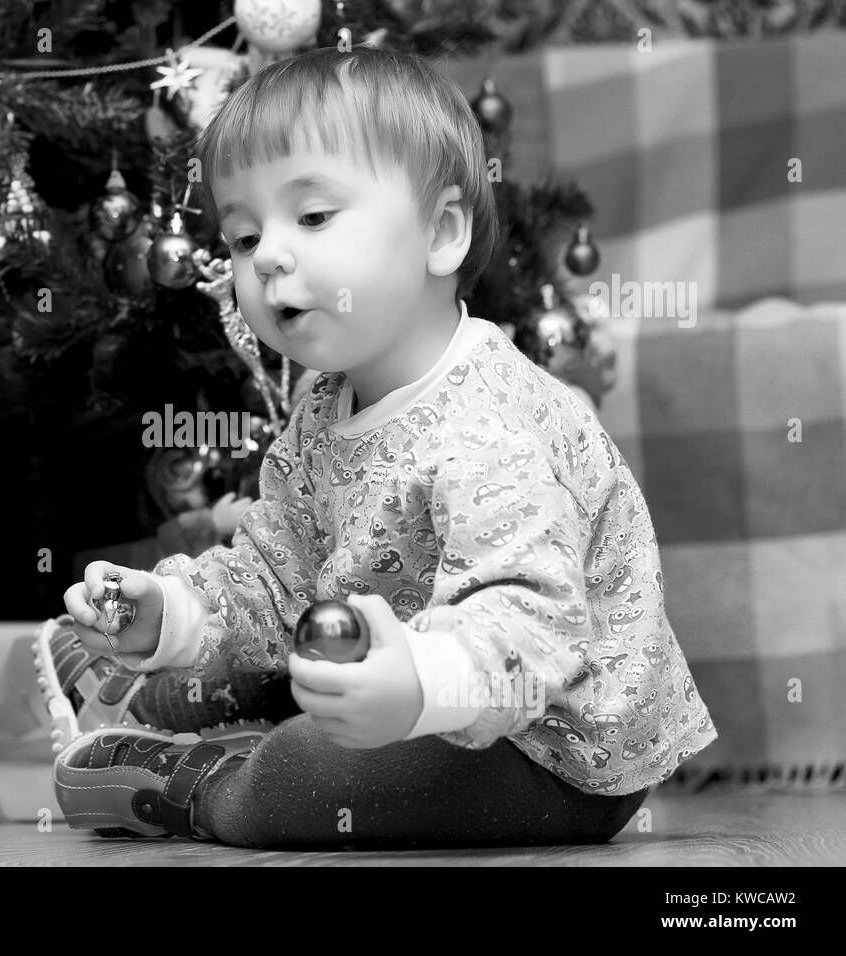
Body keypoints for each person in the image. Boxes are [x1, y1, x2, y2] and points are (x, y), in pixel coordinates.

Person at [36, 44, 717, 849]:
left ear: (442, 233)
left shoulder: (489, 423)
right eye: (245, 237)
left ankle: (202, 784)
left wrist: (422, 684)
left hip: (548, 747)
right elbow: (273, 574)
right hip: (407, 700)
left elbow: (533, 629)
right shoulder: (326, 407)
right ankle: (156, 692)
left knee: (307, 773)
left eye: (314, 217)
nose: (271, 257)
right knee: (278, 670)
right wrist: (171, 614)